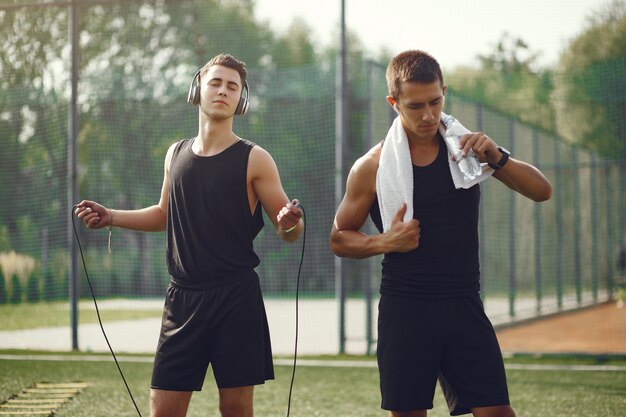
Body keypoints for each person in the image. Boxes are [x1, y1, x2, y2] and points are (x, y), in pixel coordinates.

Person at [75, 53, 303, 417]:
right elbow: (164, 214)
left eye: (233, 86)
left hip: (235, 299)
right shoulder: (175, 153)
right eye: (216, 82)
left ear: (241, 98)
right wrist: (112, 217)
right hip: (181, 299)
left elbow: (286, 229)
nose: (223, 91)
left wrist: (292, 222)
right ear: (198, 87)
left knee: (236, 408)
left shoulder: (255, 158)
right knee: (162, 408)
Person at [329, 50, 552, 417]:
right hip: (406, 308)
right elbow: (339, 238)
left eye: (436, 101)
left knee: (498, 412)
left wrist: (497, 156)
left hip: (463, 302)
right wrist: (386, 241)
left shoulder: (467, 149)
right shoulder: (373, 166)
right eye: (416, 106)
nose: (429, 115)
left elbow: (542, 191)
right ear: (394, 102)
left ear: (444, 91)